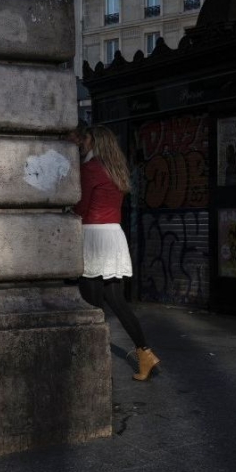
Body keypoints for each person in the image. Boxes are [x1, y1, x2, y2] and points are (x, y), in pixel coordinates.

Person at [73, 126, 160, 381]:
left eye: (85, 138)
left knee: (92, 306)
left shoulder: (90, 169)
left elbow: (81, 207)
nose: (82, 143)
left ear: (94, 141)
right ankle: (145, 353)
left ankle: (94, 367)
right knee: (117, 301)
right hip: (113, 234)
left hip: (93, 236)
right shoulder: (116, 168)